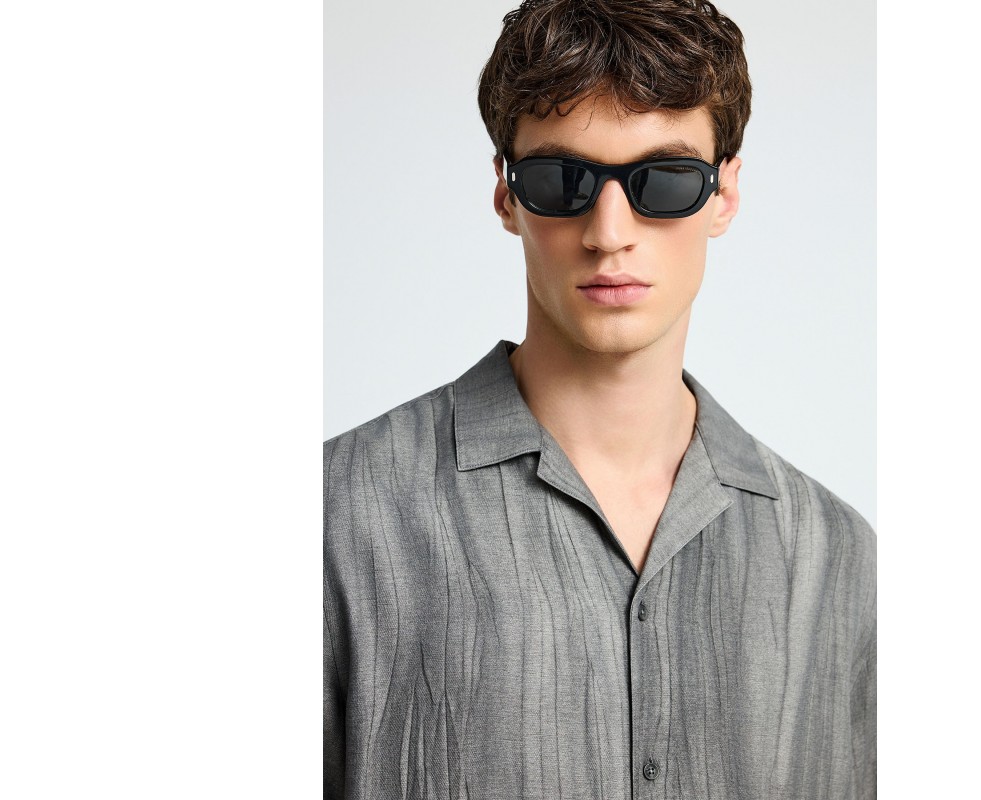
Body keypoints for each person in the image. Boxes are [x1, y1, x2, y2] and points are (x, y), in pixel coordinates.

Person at [324, 0, 876, 797]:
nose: (608, 231)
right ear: (507, 195)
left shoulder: (838, 559)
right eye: (561, 180)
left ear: (724, 194)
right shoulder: (336, 517)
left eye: (666, 180)